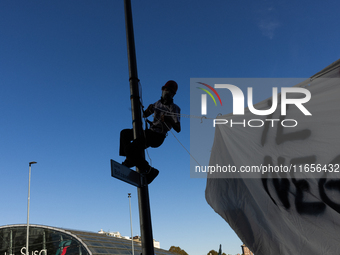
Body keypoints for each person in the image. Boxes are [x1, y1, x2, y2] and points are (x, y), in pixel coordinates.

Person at [119, 80, 181, 183]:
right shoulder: (157, 103)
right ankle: (129, 159)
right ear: (162, 89)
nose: (168, 93)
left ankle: (150, 170)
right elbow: (145, 115)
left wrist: (168, 119)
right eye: (166, 90)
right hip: (149, 131)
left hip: (157, 136)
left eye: (171, 91)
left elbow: (178, 128)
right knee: (124, 133)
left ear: (173, 94)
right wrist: (148, 109)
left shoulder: (174, 108)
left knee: (130, 149)